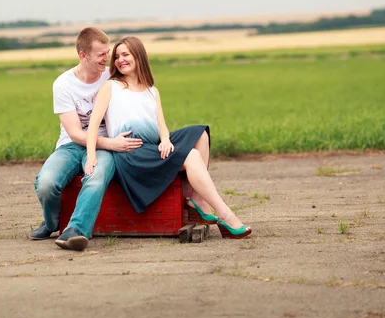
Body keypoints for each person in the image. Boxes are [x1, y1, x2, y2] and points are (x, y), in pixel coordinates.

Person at [85, 36, 251, 239]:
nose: (120, 60)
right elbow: (93, 124)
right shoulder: (111, 86)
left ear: (138, 56)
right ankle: (225, 214)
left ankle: (197, 198)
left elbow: (161, 124)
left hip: (152, 146)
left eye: (125, 54)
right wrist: (92, 155)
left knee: (199, 133)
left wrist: (165, 140)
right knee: (191, 156)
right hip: (131, 153)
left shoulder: (151, 91)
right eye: (117, 56)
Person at [30, 27, 144, 251]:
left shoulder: (113, 76)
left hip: (103, 146)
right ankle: (52, 223)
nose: (107, 59)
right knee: (46, 183)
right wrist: (112, 144)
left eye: (107, 52)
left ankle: (76, 230)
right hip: (72, 146)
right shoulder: (63, 84)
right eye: (101, 54)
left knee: (96, 175)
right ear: (83, 56)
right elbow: (74, 133)